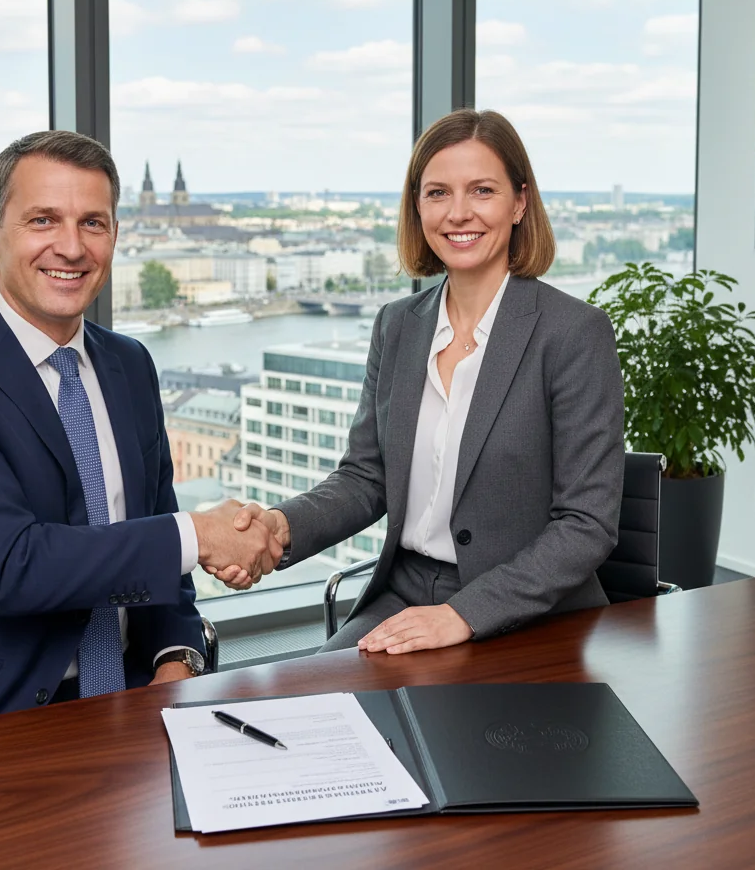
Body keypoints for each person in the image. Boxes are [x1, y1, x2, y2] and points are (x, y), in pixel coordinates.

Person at [0, 131, 280, 738]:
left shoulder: (130, 364)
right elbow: (12, 567)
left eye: (93, 223)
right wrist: (201, 534)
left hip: (133, 707)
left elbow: (156, 545)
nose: (71, 247)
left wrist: (175, 657)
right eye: (42, 220)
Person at [219, 109, 624, 654]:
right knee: (312, 708)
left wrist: (463, 614)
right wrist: (278, 526)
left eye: (482, 190)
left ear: (520, 202)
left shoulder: (573, 333)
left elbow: (586, 524)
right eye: (437, 193)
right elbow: (367, 478)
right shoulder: (397, 324)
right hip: (405, 594)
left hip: (528, 609)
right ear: (418, 206)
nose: (459, 213)